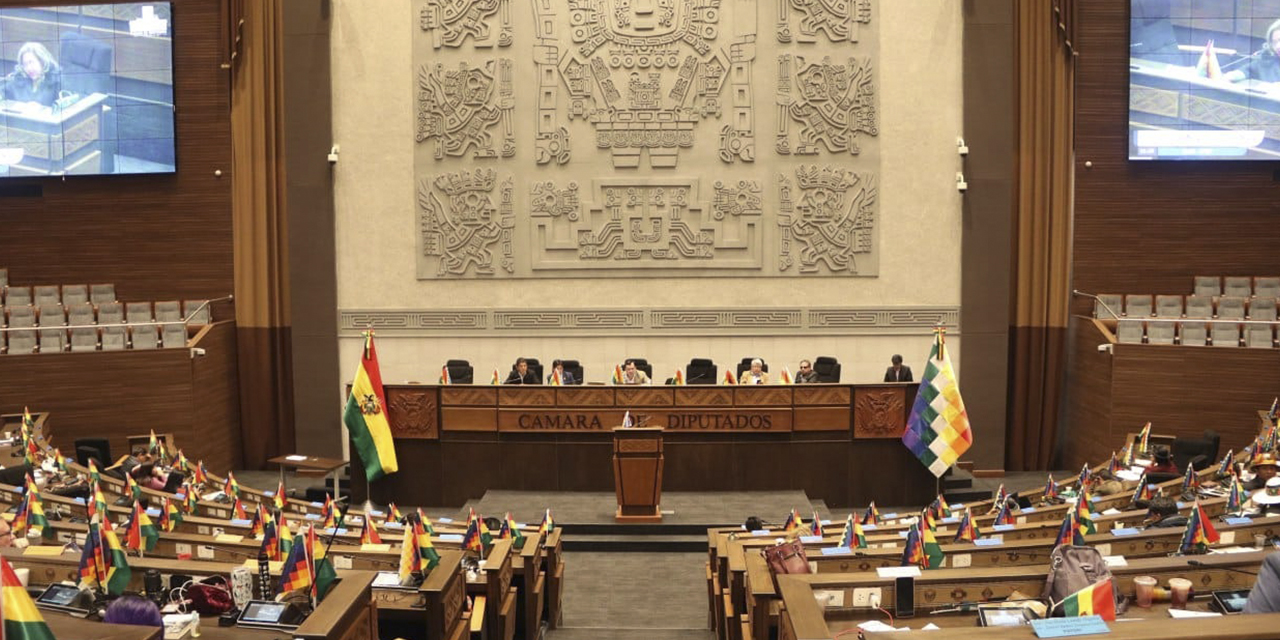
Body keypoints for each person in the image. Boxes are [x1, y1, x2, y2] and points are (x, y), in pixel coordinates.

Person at [3, 42, 61, 107]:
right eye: (25, 64)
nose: (29, 68)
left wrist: (42, 109)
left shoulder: (56, 81)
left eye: (31, 62)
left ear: (42, 61)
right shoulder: (17, 80)